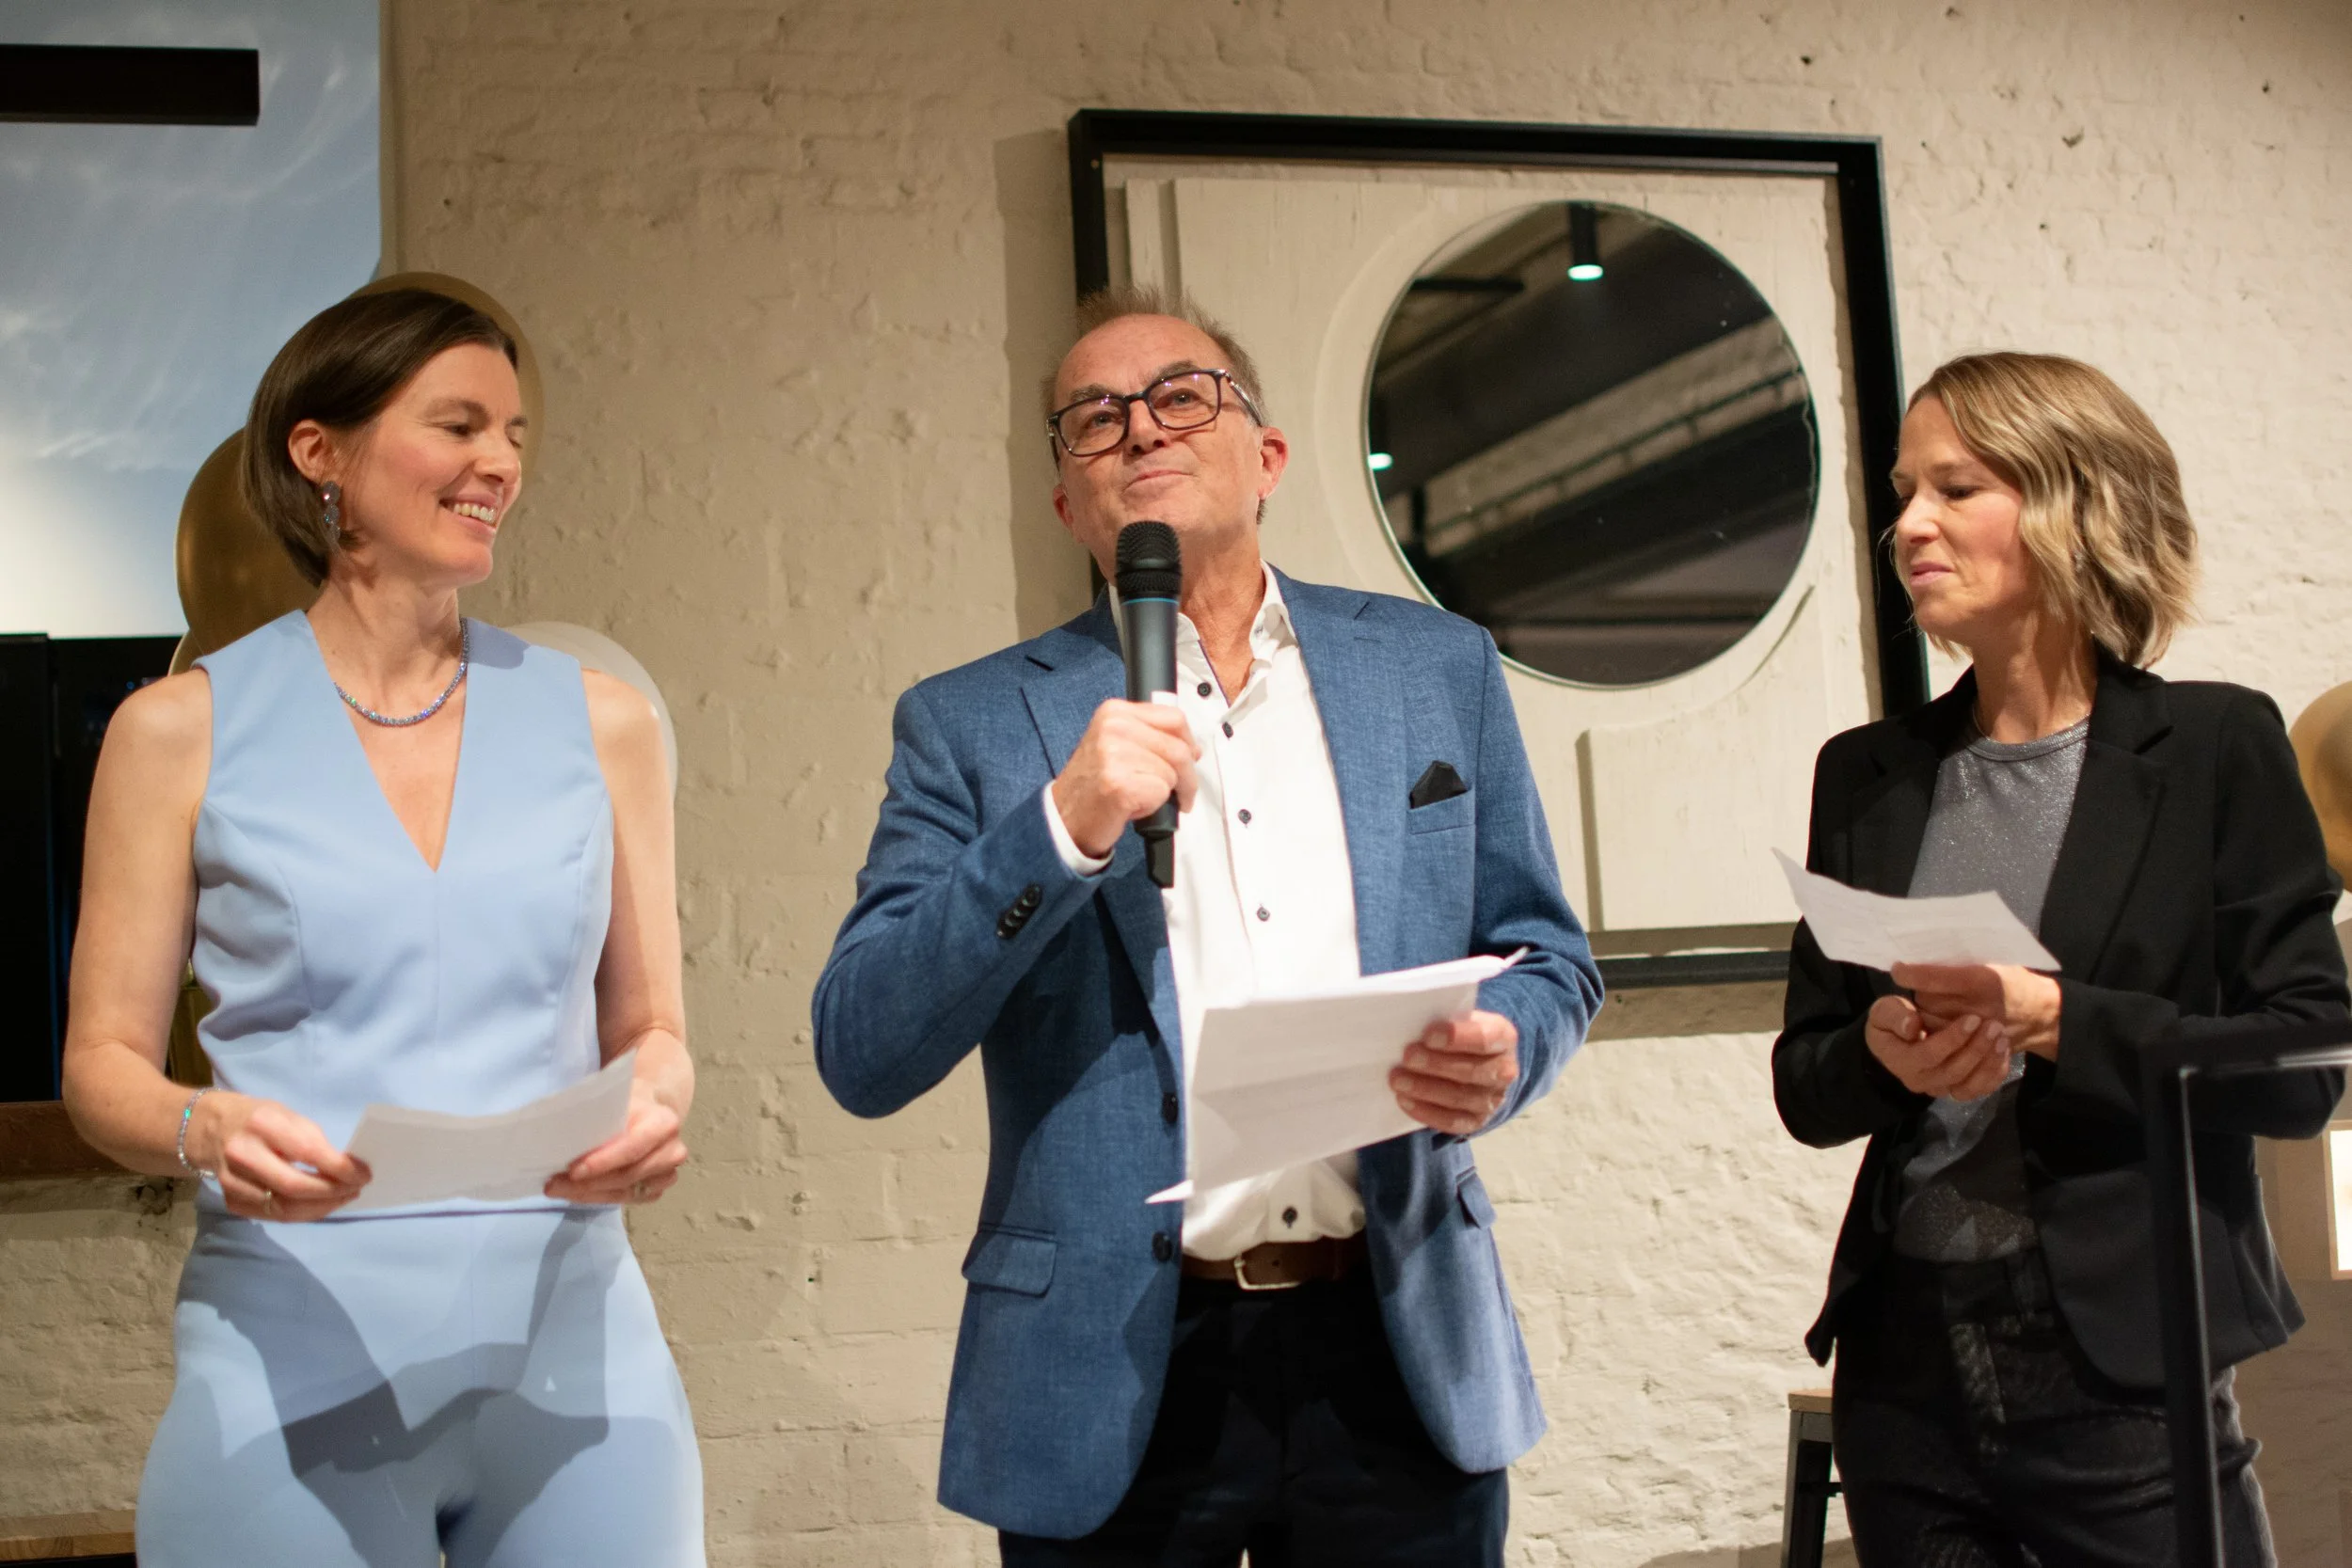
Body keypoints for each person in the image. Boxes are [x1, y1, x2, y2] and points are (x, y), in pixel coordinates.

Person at [812, 283, 1602, 1566]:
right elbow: (864, 1044)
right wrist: (1061, 826)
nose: (1140, 428)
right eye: (1093, 418)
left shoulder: (1434, 668)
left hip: (1394, 1345)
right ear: (1068, 502)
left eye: (1182, 395)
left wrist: (1504, 1046)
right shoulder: (970, 726)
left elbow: (1552, 957)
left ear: (1269, 456)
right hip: (1113, 1365)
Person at [61, 288, 706, 1566]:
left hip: (577, 1358)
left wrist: (655, 1108)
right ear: (323, 456)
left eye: (516, 432)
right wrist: (204, 1122)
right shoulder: (175, 732)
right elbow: (100, 1070)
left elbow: (655, 1030)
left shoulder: (602, 720)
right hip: (293, 1350)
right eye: (459, 423)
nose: (501, 463)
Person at [1775, 351, 2349, 1565]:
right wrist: (1884, 1058)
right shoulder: (1867, 774)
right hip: (1906, 1371)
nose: (1908, 526)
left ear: (2071, 504)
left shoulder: (2212, 749)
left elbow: (2304, 1064)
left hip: (2125, 1378)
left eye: (1955, 488)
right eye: (1902, 493)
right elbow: (1805, 1082)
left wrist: (2054, 1018)